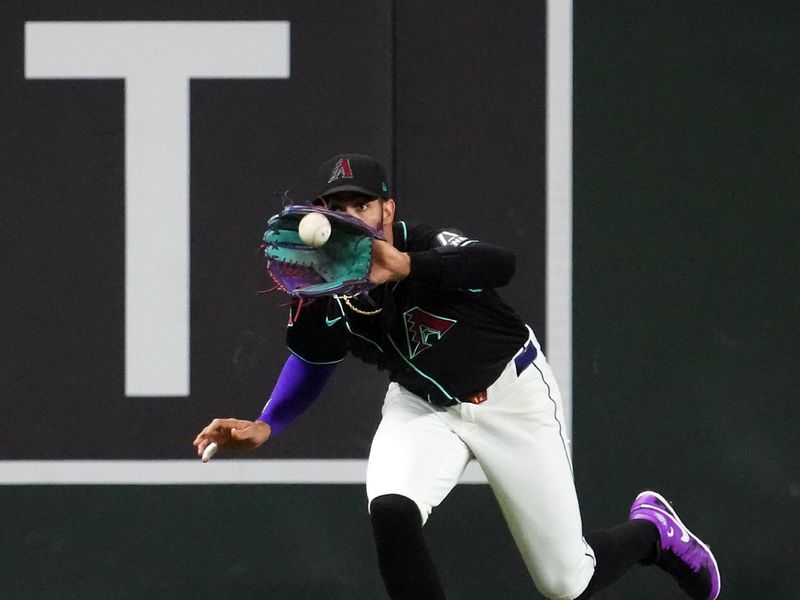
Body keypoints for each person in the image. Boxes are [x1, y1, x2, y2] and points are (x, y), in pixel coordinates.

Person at [193, 153, 721, 600]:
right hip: (422, 406)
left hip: (512, 395)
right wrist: (268, 423)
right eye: (338, 207)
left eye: (362, 204)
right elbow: (312, 358)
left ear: (387, 209)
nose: (351, 215)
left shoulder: (419, 241)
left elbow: (501, 264)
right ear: (322, 216)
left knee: (565, 581)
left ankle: (653, 532)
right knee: (392, 511)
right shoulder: (323, 286)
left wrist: (409, 266)